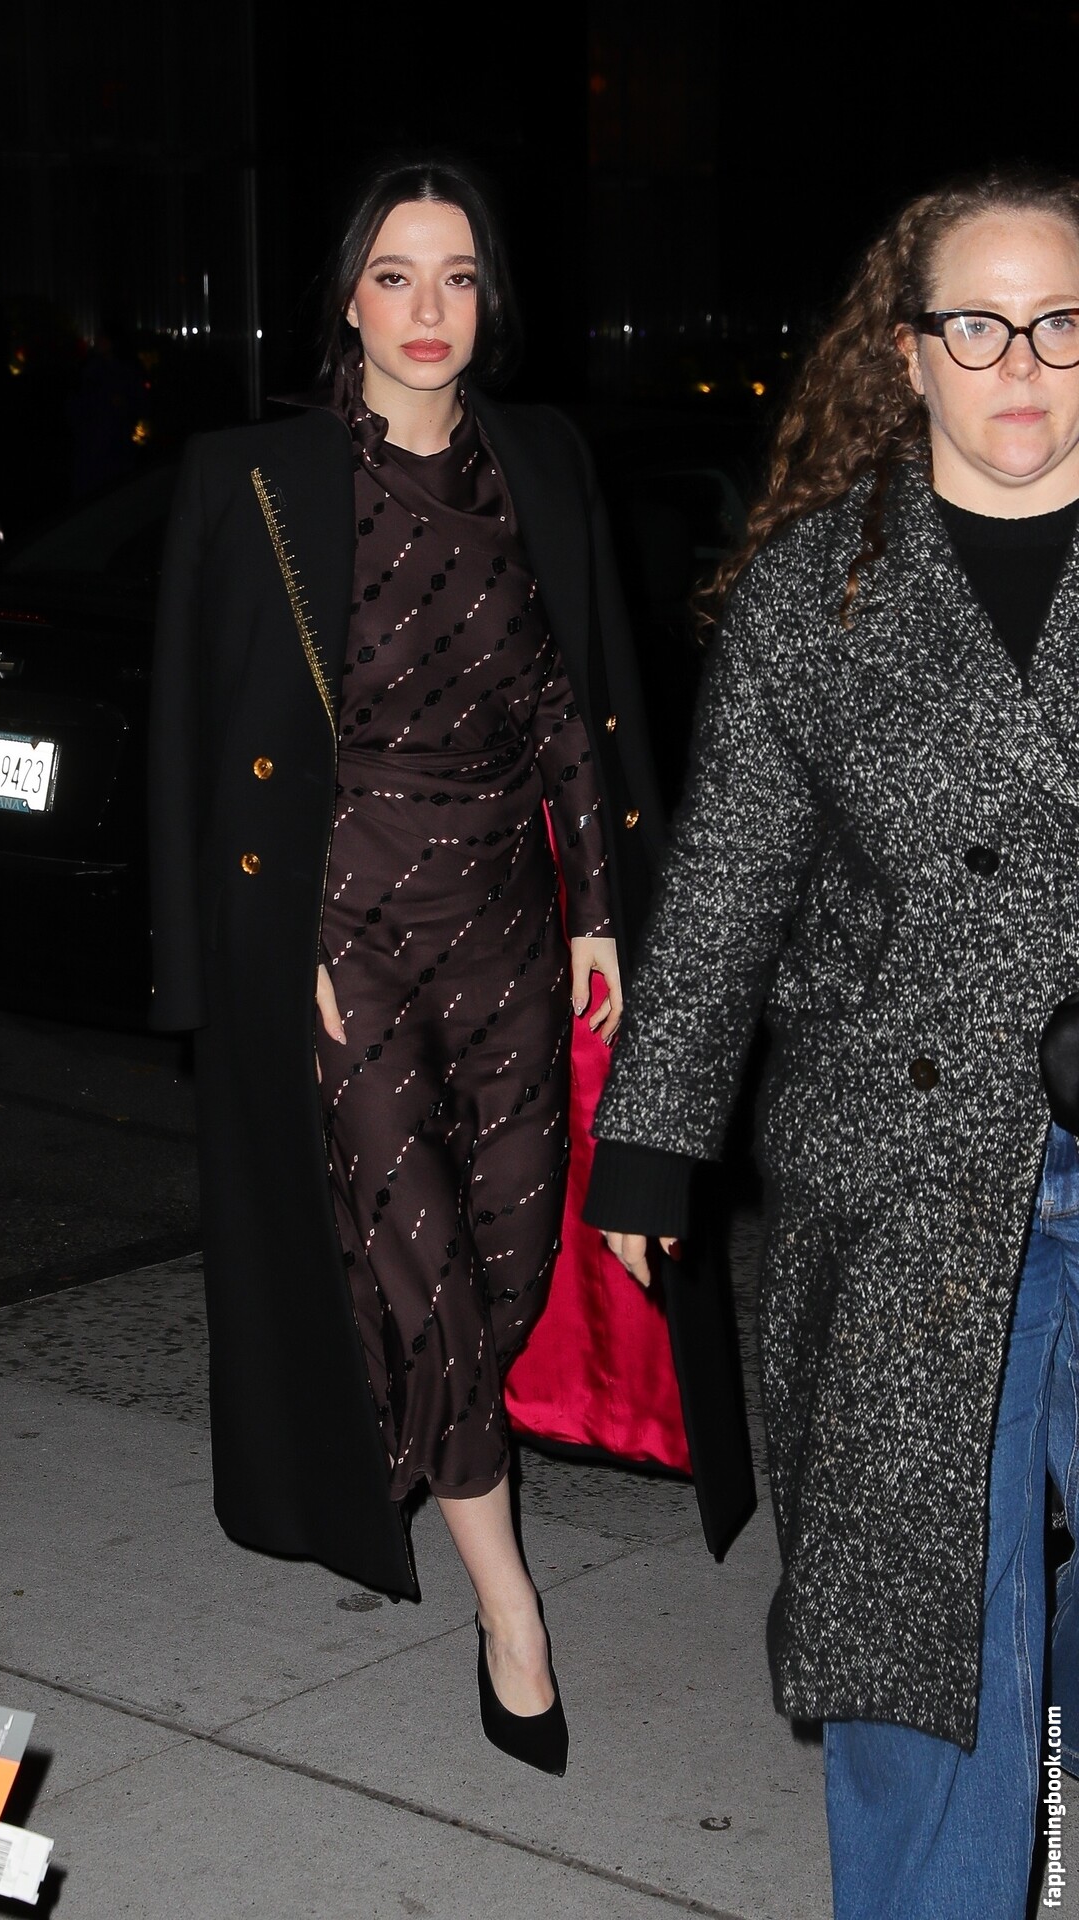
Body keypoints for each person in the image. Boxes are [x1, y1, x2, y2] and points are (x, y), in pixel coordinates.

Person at [148, 156, 751, 1773]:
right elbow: (195, 741)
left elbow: (577, 701)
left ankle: (399, 1422)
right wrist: (244, 957)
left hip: (508, 921)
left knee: (507, 1256)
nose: (430, 309)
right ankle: (512, 1613)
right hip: (343, 932)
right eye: (397, 275)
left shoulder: (538, 461)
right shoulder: (253, 477)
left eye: (460, 276)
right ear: (346, 298)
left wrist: (603, 912)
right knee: (421, 1258)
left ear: (491, 300)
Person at [584, 162, 1079, 1916]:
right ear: (910, 350)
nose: (1022, 361)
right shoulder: (822, 593)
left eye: (1063, 323)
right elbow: (730, 878)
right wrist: (651, 1143)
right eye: (979, 323)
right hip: (894, 1174)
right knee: (917, 1640)